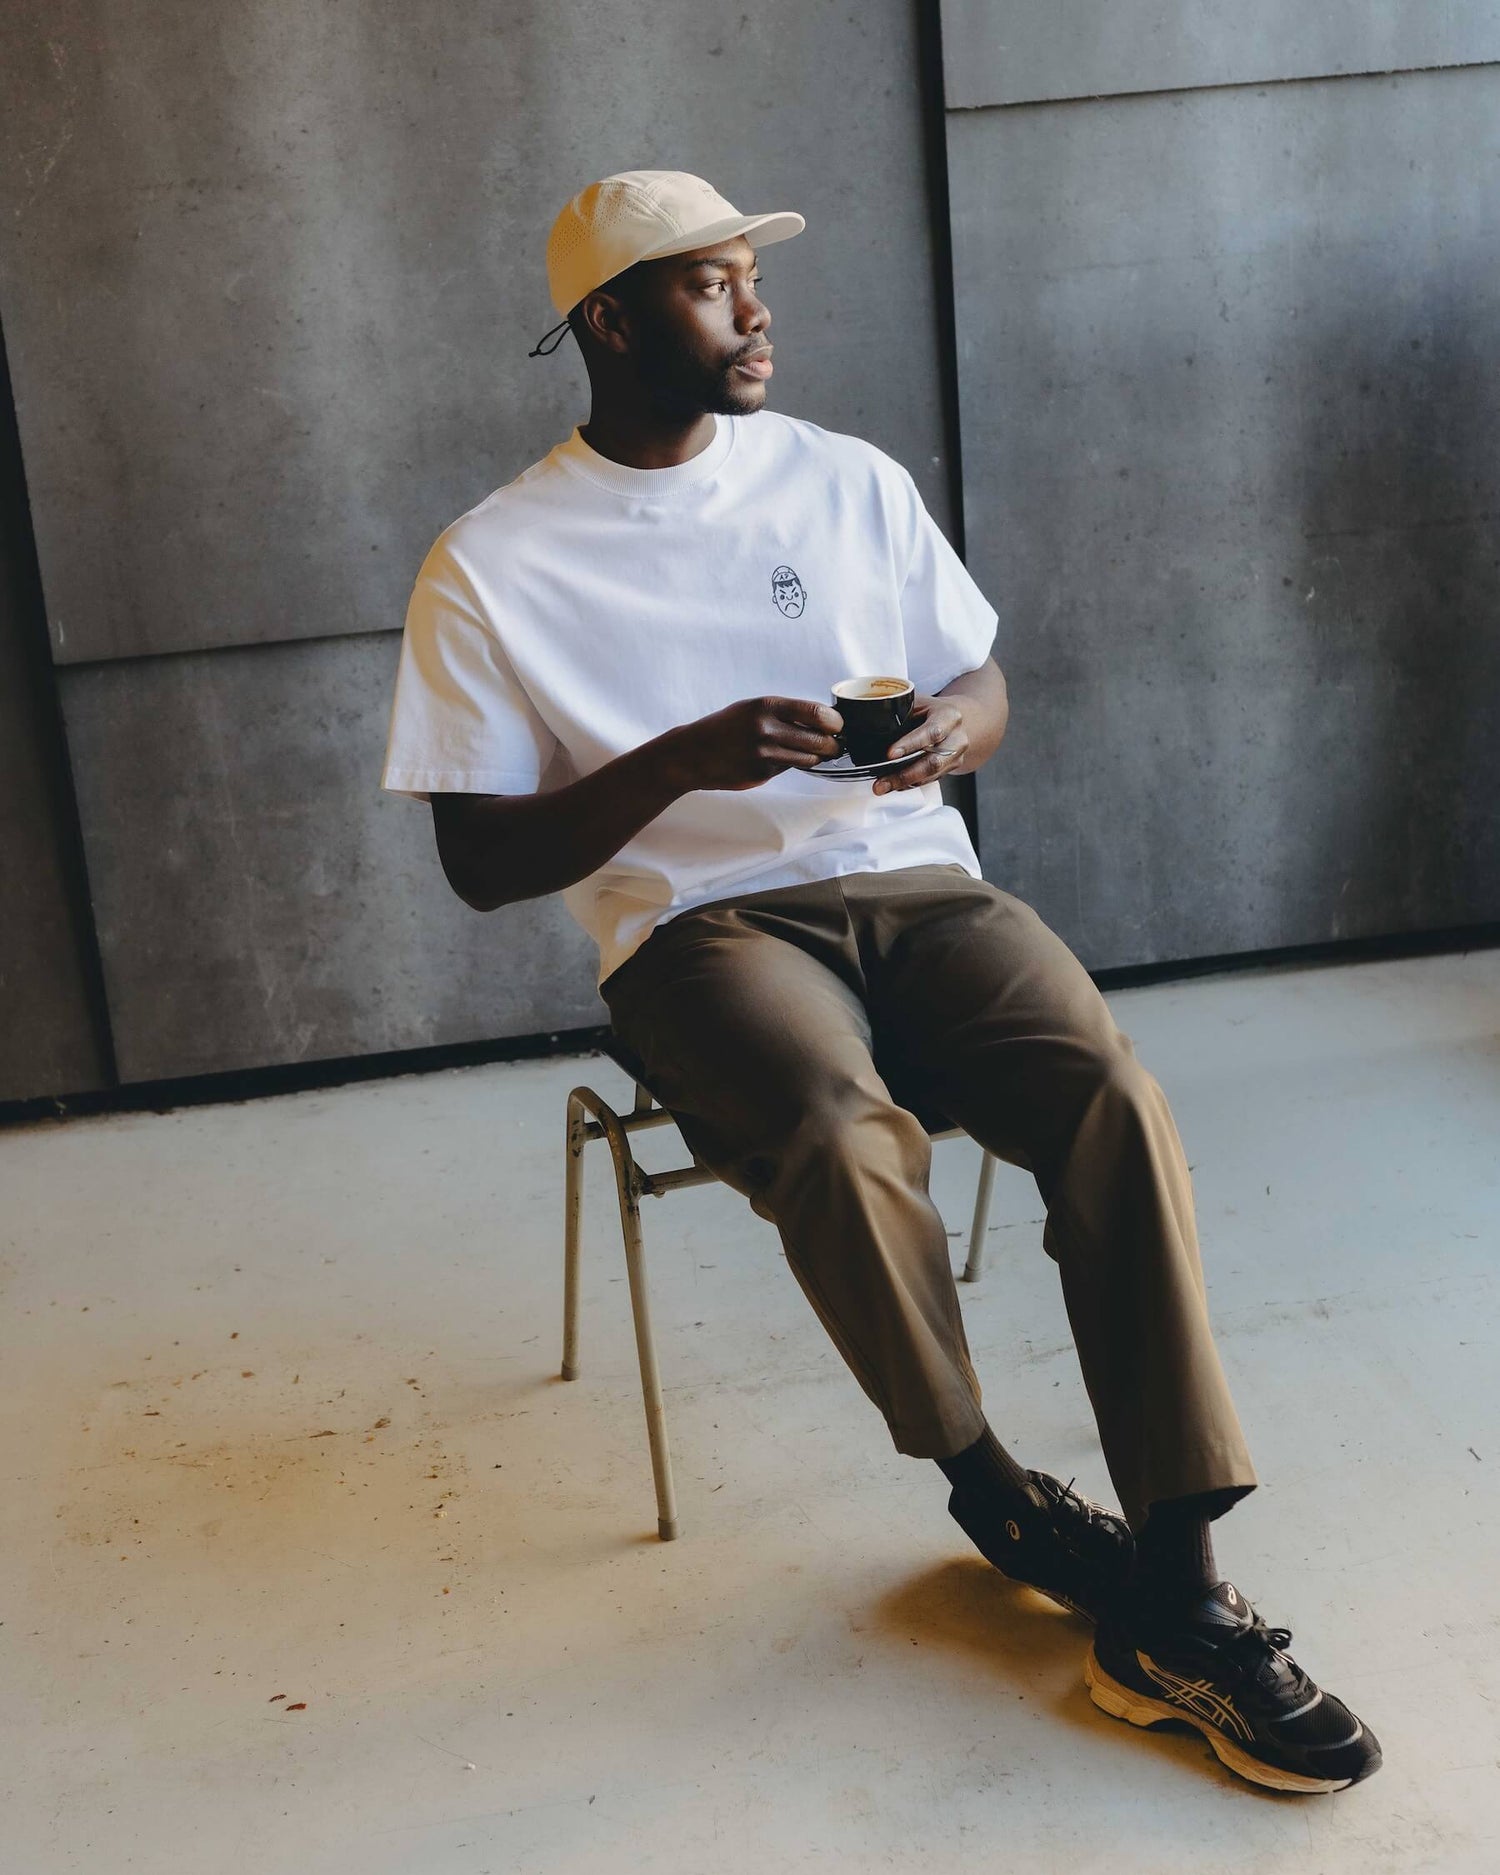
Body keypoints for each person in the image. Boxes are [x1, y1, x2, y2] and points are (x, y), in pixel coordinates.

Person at [380, 170, 1380, 1794]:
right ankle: (989, 1486)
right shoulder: (493, 561)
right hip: (696, 926)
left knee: (1111, 1093)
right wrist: (681, 759)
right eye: (711, 287)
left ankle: (1180, 1597)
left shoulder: (839, 479)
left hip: (912, 878)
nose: (757, 310)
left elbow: (979, 678)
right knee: (844, 1129)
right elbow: (482, 862)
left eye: (748, 281)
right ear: (613, 321)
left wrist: (951, 732)